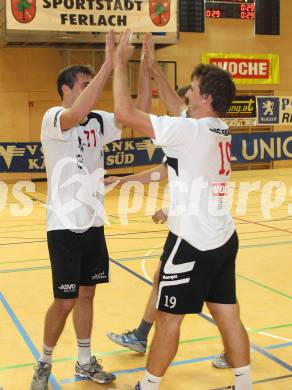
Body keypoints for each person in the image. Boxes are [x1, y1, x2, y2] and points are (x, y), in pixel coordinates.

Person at [112, 31, 252, 390]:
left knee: (167, 319)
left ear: (205, 97)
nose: (186, 94)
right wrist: (155, 70)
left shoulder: (190, 131)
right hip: (223, 237)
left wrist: (118, 63)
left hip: (193, 242)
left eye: (191, 89)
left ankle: (148, 384)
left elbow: (124, 113)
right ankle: (244, 384)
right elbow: (179, 108)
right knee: (229, 317)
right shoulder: (218, 128)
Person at [30, 31, 152, 390]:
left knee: (87, 294)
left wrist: (140, 68)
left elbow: (137, 113)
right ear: (66, 89)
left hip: (94, 221)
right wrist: (109, 65)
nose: (90, 89)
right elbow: (79, 110)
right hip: (64, 225)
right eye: (83, 84)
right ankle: (44, 360)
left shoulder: (98, 120)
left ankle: (84, 361)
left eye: (91, 83)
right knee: (64, 300)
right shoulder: (55, 118)